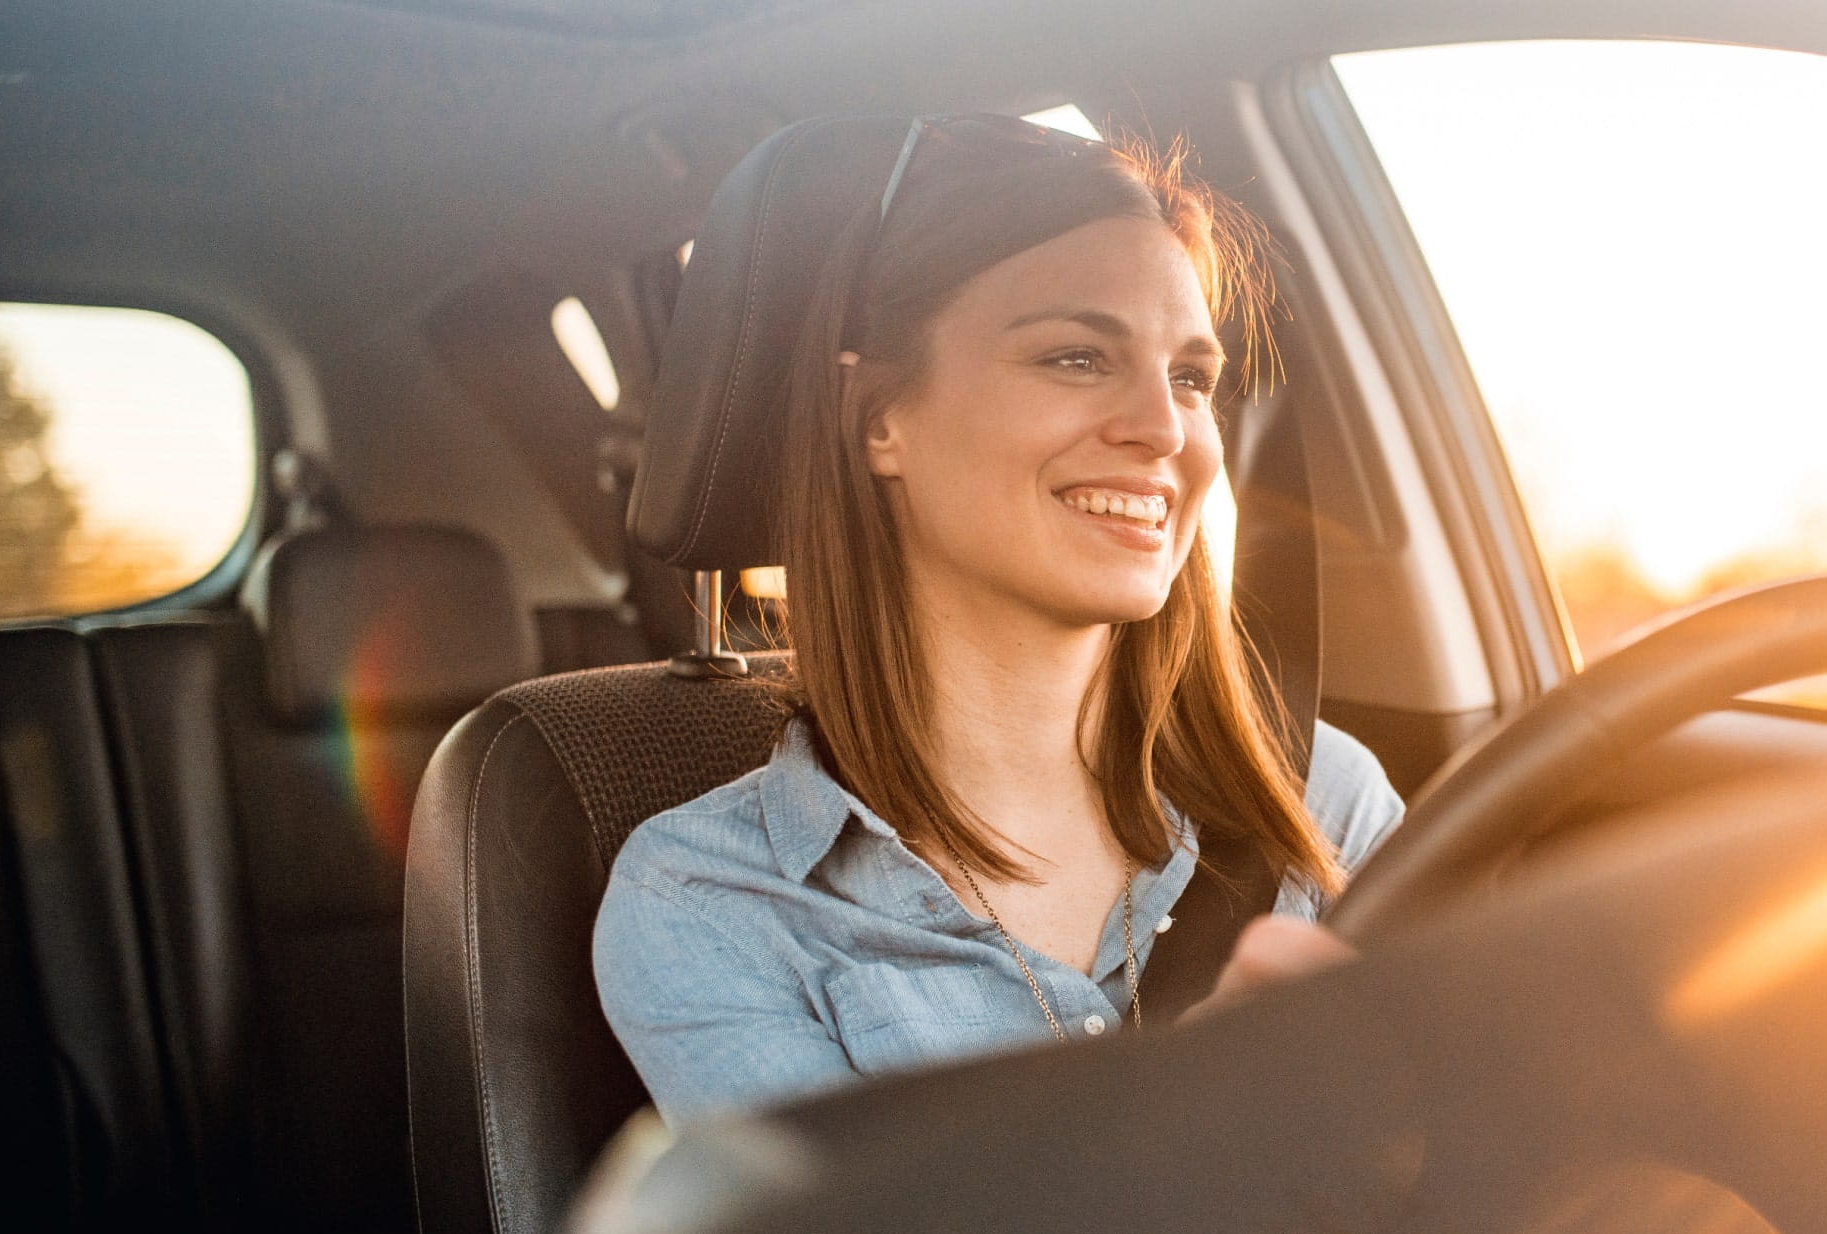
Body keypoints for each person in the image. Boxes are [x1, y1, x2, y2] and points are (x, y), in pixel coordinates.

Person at [593, 114, 1403, 1126]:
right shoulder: (711, 902)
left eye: (1190, 378)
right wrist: (1204, 1126)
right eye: (1076, 357)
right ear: (879, 417)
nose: (1163, 429)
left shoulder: (1320, 799)